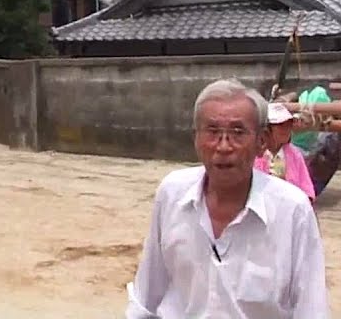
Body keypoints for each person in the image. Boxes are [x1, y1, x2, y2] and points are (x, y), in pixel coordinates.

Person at [125, 79, 328, 318]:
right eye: (212, 132)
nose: (223, 146)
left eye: (238, 132)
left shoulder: (292, 210)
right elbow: (147, 296)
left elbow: (311, 309)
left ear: (261, 141)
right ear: (196, 138)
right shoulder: (172, 193)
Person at [255, 103, 315, 203]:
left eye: (289, 124)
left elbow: (307, 189)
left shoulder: (295, 155)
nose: (286, 129)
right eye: (280, 125)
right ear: (266, 129)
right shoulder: (253, 155)